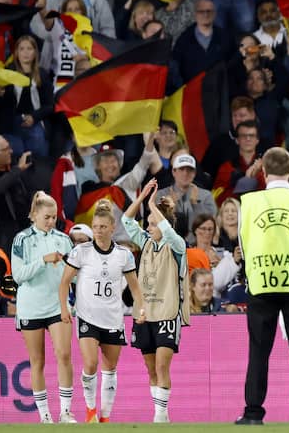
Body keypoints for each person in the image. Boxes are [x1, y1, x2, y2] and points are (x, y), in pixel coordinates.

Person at [236, 147, 289, 424]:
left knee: (258, 351)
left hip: (261, 282)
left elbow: (243, 244)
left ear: (263, 171)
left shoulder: (248, 202)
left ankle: (253, 413)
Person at [58, 199, 145, 423]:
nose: (98, 231)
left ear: (112, 228)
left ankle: (105, 417)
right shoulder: (81, 252)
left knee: (110, 367)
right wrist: (64, 308)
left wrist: (141, 308)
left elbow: (135, 287)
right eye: (95, 227)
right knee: (90, 364)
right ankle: (90, 410)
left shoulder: (123, 255)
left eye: (103, 227)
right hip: (88, 316)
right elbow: (64, 281)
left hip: (113, 318)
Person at [123, 180, 189, 424]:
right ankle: (159, 412)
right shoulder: (147, 243)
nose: (148, 228)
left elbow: (169, 232)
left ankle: (161, 415)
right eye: (148, 224)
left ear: (165, 225)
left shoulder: (177, 246)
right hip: (144, 313)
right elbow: (126, 222)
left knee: (162, 365)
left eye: (153, 224)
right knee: (151, 368)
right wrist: (142, 200)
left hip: (167, 313)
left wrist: (153, 204)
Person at [11, 192, 74, 423]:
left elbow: (73, 274)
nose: (51, 222)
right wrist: (42, 261)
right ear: (34, 215)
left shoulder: (64, 239)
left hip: (58, 306)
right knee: (37, 361)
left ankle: (66, 412)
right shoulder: (21, 239)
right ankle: (45, 416)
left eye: (54, 217)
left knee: (65, 355)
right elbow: (18, 275)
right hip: (31, 307)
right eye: (46, 217)